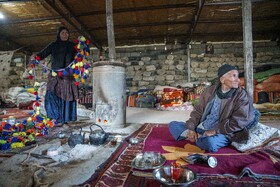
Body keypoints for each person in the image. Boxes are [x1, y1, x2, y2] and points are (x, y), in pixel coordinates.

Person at [169, 64, 260, 152]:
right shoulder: (210, 91)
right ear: (222, 79)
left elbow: (240, 120)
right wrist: (191, 128)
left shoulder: (241, 95)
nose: (238, 80)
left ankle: (198, 137)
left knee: (210, 143)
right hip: (203, 126)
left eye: (238, 76)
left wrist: (215, 131)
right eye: (234, 76)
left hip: (224, 132)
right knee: (173, 125)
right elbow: (198, 111)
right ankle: (197, 136)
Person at [32, 26, 78, 127]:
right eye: (63, 33)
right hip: (55, 75)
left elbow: (79, 56)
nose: (65, 34)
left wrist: (83, 48)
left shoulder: (72, 46)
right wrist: (35, 57)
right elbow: (42, 54)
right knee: (53, 96)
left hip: (67, 76)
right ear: (59, 34)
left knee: (66, 97)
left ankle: (65, 120)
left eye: (66, 33)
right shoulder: (53, 45)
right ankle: (55, 119)